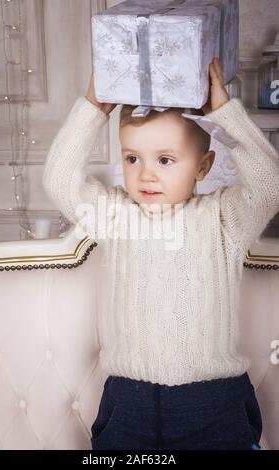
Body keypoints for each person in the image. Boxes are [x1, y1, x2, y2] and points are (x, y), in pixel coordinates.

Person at [42, 58, 279, 450]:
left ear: (203, 166)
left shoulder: (223, 219)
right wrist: (92, 108)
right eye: (132, 158)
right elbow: (59, 180)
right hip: (128, 401)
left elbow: (270, 187)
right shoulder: (114, 216)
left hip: (213, 402)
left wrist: (223, 113)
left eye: (165, 160)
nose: (146, 174)